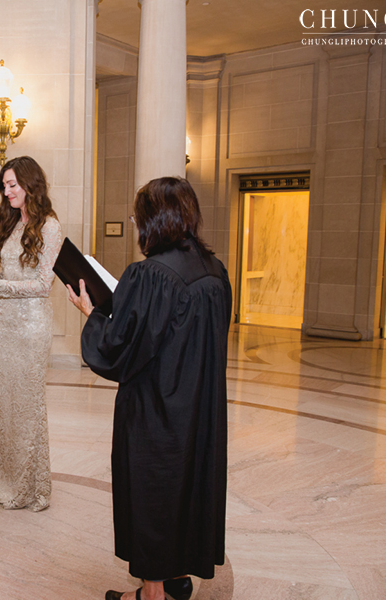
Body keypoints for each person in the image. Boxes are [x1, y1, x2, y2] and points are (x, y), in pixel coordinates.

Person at [66, 177, 231, 600]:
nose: (133, 222)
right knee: (186, 488)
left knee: (152, 494)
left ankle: (152, 594)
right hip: (199, 409)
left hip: (155, 411)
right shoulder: (215, 271)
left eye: (137, 215)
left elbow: (117, 352)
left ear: (152, 221)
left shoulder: (149, 275)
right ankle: (176, 578)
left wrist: (93, 313)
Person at [0, 156, 63, 512]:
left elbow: (41, 285)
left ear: (30, 185)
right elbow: (8, 274)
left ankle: (29, 488)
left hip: (33, 326)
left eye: (13, 186)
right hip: (4, 324)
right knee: (6, 404)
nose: (6, 193)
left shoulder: (50, 227)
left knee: (27, 404)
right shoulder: (11, 223)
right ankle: (3, 480)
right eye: (4, 187)